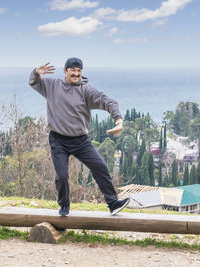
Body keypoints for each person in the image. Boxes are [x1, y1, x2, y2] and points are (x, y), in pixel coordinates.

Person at [29, 58, 130, 216]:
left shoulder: (87, 91)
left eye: (79, 71)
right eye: (72, 70)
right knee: (62, 176)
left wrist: (119, 120)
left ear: (81, 72)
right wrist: (36, 72)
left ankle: (113, 204)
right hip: (58, 139)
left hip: (80, 141)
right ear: (65, 71)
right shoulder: (52, 85)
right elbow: (34, 82)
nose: (76, 74)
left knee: (101, 168)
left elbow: (108, 102)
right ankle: (64, 206)